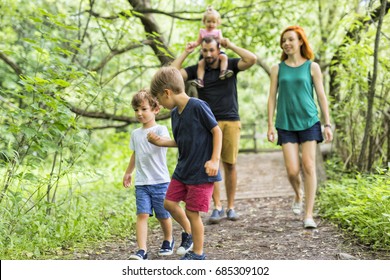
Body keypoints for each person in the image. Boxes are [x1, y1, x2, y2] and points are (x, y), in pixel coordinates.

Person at [171, 36, 257, 224]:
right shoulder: (198, 69)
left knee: (230, 164)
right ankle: (217, 206)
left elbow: (252, 59)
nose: (208, 54)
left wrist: (231, 45)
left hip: (230, 120)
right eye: (205, 50)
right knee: (211, 165)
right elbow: (172, 74)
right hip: (206, 124)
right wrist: (187, 51)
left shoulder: (231, 66)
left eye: (212, 50)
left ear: (218, 50)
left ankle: (231, 207)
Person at [147, 66, 222, 260]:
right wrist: (161, 142)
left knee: (192, 211)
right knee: (169, 203)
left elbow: (217, 131)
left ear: (167, 93)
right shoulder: (174, 114)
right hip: (183, 170)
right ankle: (188, 233)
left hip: (201, 171)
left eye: (159, 100)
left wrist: (214, 160)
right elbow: (182, 141)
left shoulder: (198, 106)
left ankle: (198, 253)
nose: (160, 105)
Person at [267, 26, 333, 229]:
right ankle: (298, 194)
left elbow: (321, 96)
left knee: (309, 166)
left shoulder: (312, 67)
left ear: (300, 41)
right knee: (292, 171)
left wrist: (327, 123)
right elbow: (272, 98)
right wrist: (270, 124)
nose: (286, 43)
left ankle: (308, 215)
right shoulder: (278, 69)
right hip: (286, 124)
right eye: (283, 40)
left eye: (290, 40)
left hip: (309, 121)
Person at [123, 89, 174, 260]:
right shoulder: (135, 134)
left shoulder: (160, 129)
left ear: (155, 110)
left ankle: (168, 239)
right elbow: (135, 154)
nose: (139, 113)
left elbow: (166, 143)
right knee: (142, 214)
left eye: (144, 109)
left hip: (160, 181)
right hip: (142, 182)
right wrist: (128, 172)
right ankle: (142, 250)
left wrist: (156, 140)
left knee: (162, 214)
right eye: (136, 110)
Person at [188, 6, 233, 88]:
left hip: (216, 53)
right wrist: (193, 44)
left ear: (217, 23)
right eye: (209, 21)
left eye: (213, 22)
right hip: (205, 54)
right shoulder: (202, 31)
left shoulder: (218, 32)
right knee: (200, 64)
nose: (211, 24)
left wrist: (225, 42)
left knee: (224, 57)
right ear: (204, 21)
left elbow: (221, 40)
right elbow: (198, 42)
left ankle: (223, 72)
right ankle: (200, 80)